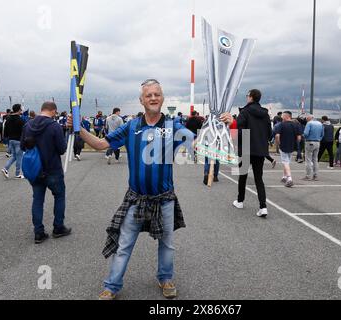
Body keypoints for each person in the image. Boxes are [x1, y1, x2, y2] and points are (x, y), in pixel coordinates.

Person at [70, 79, 233, 300]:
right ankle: (112, 286)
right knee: (124, 244)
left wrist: (223, 126)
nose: (153, 98)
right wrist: (79, 129)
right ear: (141, 100)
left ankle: (165, 279)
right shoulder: (131, 126)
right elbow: (100, 145)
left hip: (164, 199)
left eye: (157, 94)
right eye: (149, 95)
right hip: (136, 199)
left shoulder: (173, 127)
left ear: (162, 98)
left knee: (167, 244)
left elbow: (198, 145)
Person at [20, 102, 71, 244]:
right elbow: (61, 149)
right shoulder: (54, 126)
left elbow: (22, 146)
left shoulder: (28, 125)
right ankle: (58, 227)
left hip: (35, 169)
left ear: (41, 109)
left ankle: (38, 232)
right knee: (59, 197)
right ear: (53, 111)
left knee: (37, 200)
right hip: (53, 168)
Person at [233, 89, 272, 218]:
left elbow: (240, 131)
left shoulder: (244, 112)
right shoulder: (265, 114)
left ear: (250, 97)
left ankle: (240, 201)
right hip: (260, 148)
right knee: (258, 178)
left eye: (247, 95)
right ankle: (263, 206)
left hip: (246, 148)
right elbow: (269, 134)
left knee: (243, 176)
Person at [274, 111, 302, 188]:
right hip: (292, 146)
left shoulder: (281, 125)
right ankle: (284, 176)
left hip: (283, 145)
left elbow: (277, 135)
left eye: (282, 116)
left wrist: (278, 143)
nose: (282, 117)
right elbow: (299, 137)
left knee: (285, 162)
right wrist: (296, 143)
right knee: (287, 162)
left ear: (286, 116)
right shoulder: (296, 125)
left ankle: (289, 178)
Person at [1, 104, 25, 180]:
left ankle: (5, 168)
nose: (21, 111)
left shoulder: (8, 118)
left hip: (11, 140)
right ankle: (17, 174)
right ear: (18, 110)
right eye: (20, 109)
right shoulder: (20, 120)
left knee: (14, 156)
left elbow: (5, 129)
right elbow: (24, 131)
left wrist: (6, 137)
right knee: (19, 158)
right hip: (18, 140)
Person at [303, 114, 324, 181]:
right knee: (315, 159)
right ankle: (315, 176)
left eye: (306, 119)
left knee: (308, 159)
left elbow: (306, 133)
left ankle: (308, 176)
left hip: (309, 142)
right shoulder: (320, 124)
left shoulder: (309, 123)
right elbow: (322, 134)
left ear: (308, 118)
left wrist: (305, 138)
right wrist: (319, 139)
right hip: (317, 142)